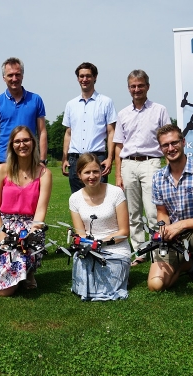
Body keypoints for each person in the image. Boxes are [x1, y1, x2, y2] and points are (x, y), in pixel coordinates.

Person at [149, 124, 193, 294]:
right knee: (156, 286)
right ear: (161, 148)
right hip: (174, 237)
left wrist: (180, 225)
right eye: (165, 145)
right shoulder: (158, 178)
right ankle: (187, 265)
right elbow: (162, 212)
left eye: (174, 143)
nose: (171, 148)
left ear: (183, 142)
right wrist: (164, 227)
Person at [113, 69, 170, 266]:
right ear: (128, 88)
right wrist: (118, 174)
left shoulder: (159, 110)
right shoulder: (122, 114)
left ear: (148, 86)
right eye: (133, 86)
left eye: (140, 85)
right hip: (128, 164)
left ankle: (158, 250)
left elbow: (167, 138)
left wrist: (169, 168)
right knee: (132, 213)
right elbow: (119, 145)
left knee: (154, 211)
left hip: (151, 162)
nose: (136, 89)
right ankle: (140, 250)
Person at [0, 126, 52, 296]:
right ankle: (20, 274)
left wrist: (32, 233)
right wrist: (2, 235)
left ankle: (28, 271)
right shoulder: (1, 170)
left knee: (24, 253)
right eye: (17, 141)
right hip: (4, 225)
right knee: (4, 292)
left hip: (30, 226)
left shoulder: (44, 173)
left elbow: (41, 209)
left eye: (26, 140)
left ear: (33, 143)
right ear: (12, 145)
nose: (22, 144)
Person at [69, 153, 131, 301]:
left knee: (102, 280)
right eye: (87, 172)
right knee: (87, 270)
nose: (92, 176)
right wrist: (88, 245)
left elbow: (124, 232)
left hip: (116, 248)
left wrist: (100, 243)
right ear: (79, 175)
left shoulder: (116, 193)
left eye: (95, 171)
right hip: (90, 249)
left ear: (102, 172)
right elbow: (81, 233)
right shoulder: (74, 199)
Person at [62, 62, 117, 193]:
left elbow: (111, 132)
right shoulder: (71, 104)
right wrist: (64, 159)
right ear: (77, 78)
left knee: (100, 201)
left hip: (98, 159)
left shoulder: (106, 102)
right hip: (75, 160)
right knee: (77, 201)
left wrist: (110, 158)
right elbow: (68, 133)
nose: (84, 79)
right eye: (81, 76)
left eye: (88, 76)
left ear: (95, 77)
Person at [0, 57, 48, 168]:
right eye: (10, 75)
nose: (14, 79)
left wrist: (42, 160)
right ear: (4, 78)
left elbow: (42, 131)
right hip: (6, 161)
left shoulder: (35, 99)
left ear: (22, 76)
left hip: (31, 160)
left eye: (17, 74)